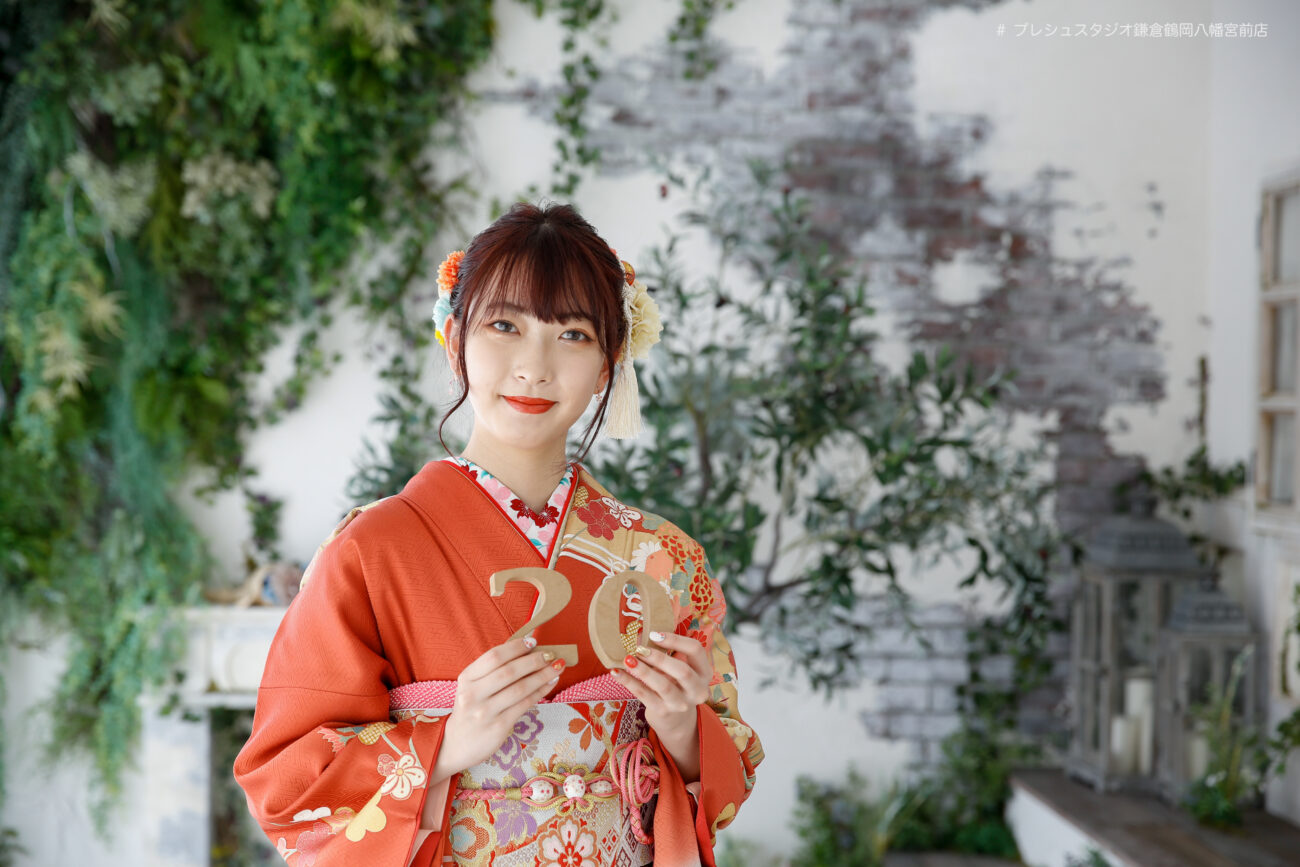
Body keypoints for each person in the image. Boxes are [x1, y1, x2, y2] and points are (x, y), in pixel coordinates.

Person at [233, 202, 763, 867]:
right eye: (505, 325)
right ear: (455, 340)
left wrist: (681, 727)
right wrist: (446, 743)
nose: (534, 367)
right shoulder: (371, 549)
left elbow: (730, 769)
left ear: (608, 364)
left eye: (573, 334)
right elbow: (285, 784)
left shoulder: (665, 558)